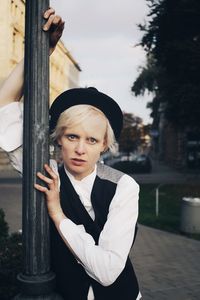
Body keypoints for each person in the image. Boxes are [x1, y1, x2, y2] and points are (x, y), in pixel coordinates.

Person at [0, 8, 142, 300]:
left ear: (104, 144)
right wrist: (41, 51)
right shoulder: (46, 172)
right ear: (58, 139)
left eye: (91, 140)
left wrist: (57, 213)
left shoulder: (124, 187)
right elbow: (5, 105)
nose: (80, 149)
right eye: (72, 136)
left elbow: (107, 271)